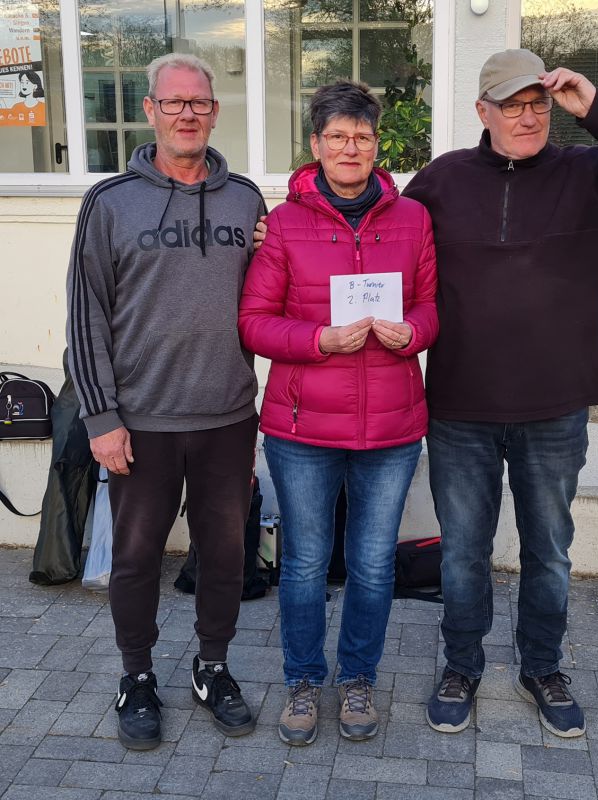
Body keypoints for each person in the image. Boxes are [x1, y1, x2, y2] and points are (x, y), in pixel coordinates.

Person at [402, 48, 598, 738]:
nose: (528, 117)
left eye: (537, 103)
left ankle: (541, 666)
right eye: (511, 105)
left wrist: (595, 108)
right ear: (482, 112)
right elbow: (381, 237)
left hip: (555, 406)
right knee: (462, 553)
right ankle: (461, 666)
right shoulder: (444, 179)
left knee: (549, 552)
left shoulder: (592, 173)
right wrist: (286, 231)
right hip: (462, 407)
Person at [66, 52, 266, 750]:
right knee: (136, 557)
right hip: (140, 421)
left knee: (225, 555)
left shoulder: (246, 200)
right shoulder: (110, 202)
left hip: (227, 416)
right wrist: (101, 418)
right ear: (150, 110)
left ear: (214, 112)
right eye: (174, 102)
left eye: (199, 103)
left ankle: (212, 668)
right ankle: (137, 677)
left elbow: (266, 295)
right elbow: (86, 316)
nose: (187, 114)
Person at [239, 80, 438, 746]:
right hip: (301, 428)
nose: (350, 148)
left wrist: (414, 331)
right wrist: (319, 339)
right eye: (337, 137)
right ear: (316, 144)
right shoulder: (283, 223)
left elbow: (430, 306)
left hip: (390, 427)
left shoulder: (412, 218)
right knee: (302, 563)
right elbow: (253, 321)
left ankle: (357, 680)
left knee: (374, 566)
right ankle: (302, 681)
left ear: (377, 144)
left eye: (362, 136)